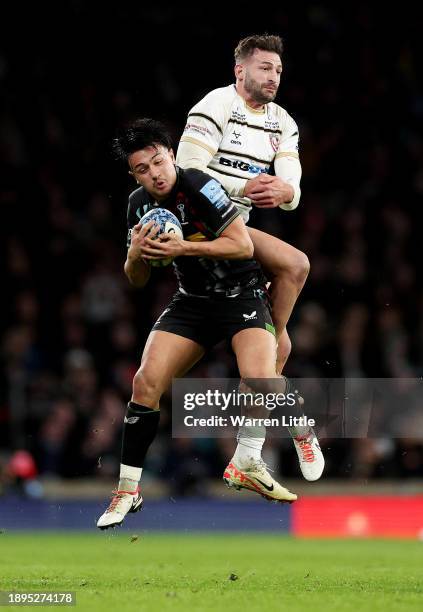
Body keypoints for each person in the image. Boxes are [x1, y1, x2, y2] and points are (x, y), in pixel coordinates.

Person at [97, 118, 305, 530]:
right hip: (193, 303)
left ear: (170, 154)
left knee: (260, 378)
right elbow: (136, 280)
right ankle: (127, 490)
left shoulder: (197, 184)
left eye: (158, 162)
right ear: (134, 174)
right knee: (145, 383)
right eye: (143, 169)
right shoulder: (138, 204)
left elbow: (242, 244)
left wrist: (182, 247)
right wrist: (135, 255)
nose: (154, 174)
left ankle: (248, 459)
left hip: (242, 295)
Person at [177, 33, 309, 377]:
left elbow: (292, 183)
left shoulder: (282, 122)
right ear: (239, 71)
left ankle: (252, 428)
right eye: (265, 67)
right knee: (295, 265)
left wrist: (286, 192)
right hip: (197, 221)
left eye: (278, 70)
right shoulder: (215, 105)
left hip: (237, 226)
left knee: (282, 342)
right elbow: (186, 171)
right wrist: (244, 186)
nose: (273, 77)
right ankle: (271, 339)